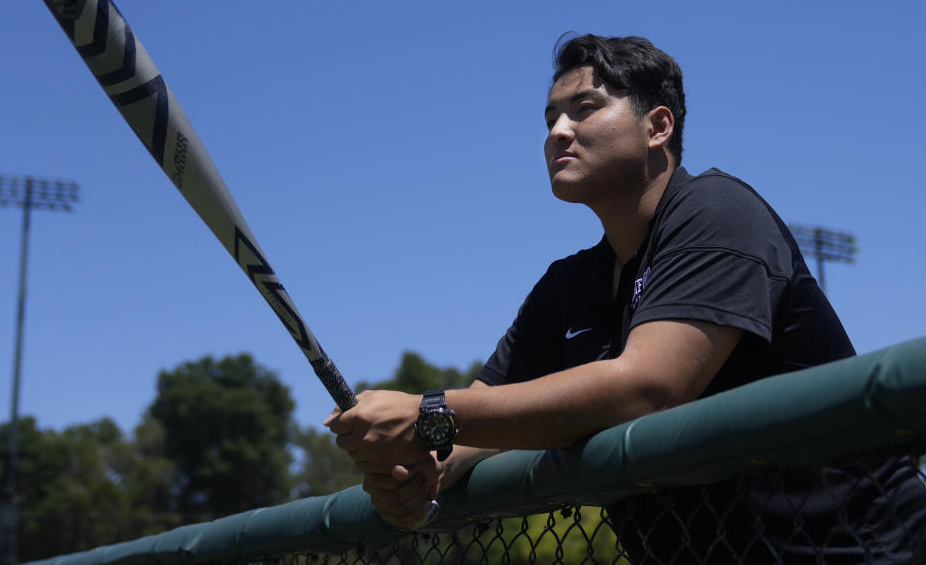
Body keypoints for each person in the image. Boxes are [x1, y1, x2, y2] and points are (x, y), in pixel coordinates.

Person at [325, 35, 926, 562]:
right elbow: (486, 419)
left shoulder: (718, 212)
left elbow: (648, 388)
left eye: (584, 109)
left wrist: (428, 411)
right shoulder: (566, 285)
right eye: (550, 117)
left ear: (657, 126)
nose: (557, 132)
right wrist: (423, 468)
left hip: (864, 549)